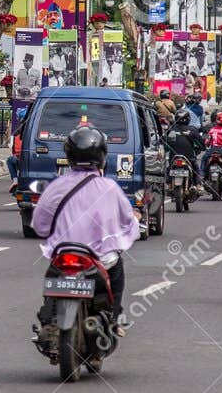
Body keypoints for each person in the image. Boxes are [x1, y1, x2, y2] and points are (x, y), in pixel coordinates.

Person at [31, 124, 140, 332]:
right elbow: (127, 222)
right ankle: (113, 319)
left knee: (51, 278)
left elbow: (39, 224)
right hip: (99, 259)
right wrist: (134, 225)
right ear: (102, 156)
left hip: (62, 256)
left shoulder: (57, 186)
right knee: (116, 272)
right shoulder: (109, 188)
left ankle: (49, 318)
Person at [164, 109, 207, 183]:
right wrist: (201, 148)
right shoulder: (192, 130)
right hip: (189, 157)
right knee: (196, 169)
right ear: (188, 119)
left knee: (168, 169)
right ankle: (198, 185)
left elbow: (166, 144)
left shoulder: (171, 130)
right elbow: (201, 143)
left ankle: (168, 183)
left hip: (173, 157)